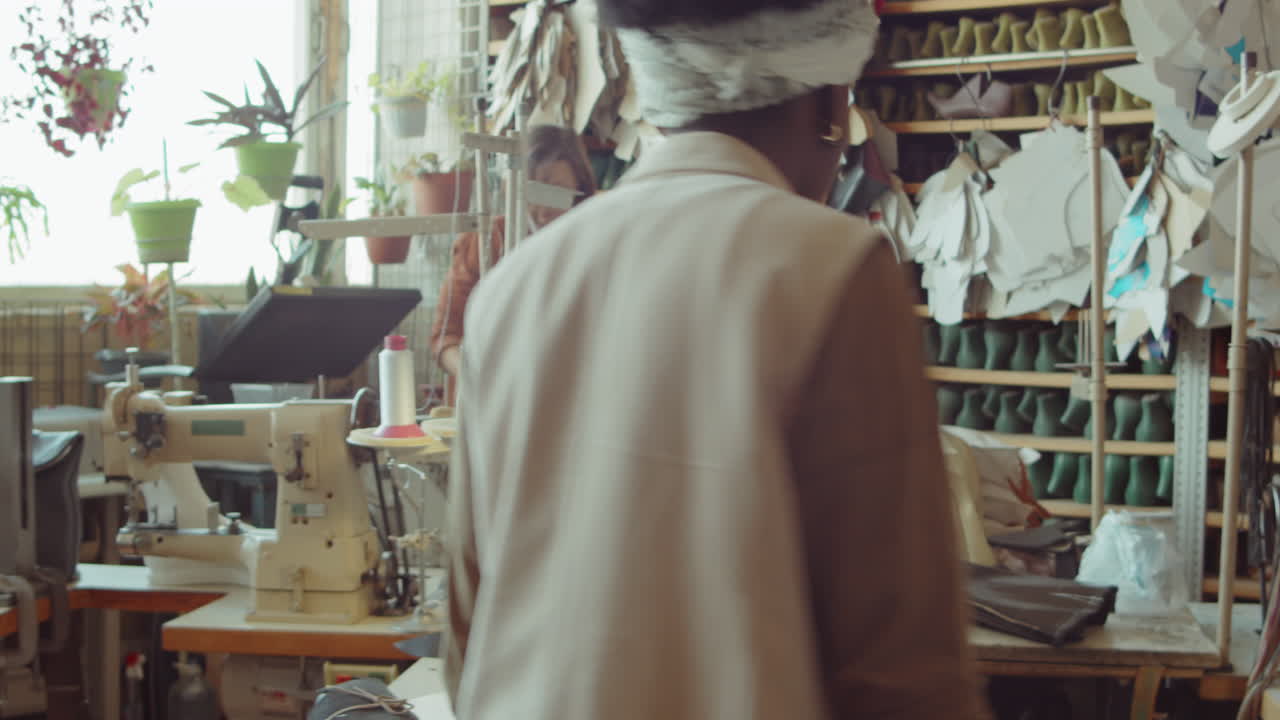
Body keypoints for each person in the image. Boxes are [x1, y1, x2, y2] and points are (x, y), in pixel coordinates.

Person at [445, 1, 985, 718]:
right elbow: (901, 675)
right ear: (832, 104)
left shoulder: (511, 289)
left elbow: (468, 635)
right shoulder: (836, 268)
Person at [429, 124, 596, 380]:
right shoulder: (483, 242)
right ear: (513, 190)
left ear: (579, 188)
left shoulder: (592, 246)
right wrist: (478, 379)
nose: (543, 210)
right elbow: (445, 337)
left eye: (557, 192)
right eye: (532, 194)